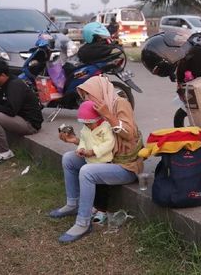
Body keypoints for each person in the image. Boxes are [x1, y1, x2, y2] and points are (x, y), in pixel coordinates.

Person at [50, 75, 142, 243]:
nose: (86, 100)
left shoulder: (119, 104)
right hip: (106, 160)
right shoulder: (98, 110)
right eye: (84, 97)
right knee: (69, 158)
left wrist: (109, 116)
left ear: (99, 91)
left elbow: (129, 135)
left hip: (125, 166)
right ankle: (73, 204)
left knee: (87, 171)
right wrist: (75, 141)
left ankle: (83, 223)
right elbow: (98, 141)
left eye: (88, 95)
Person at [0, 60, 43, 166]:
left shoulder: (14, 85)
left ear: (2, 75)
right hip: (19, 118)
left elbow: (11, 111)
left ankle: (5, 152)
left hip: (30, 124)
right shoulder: (7, 84)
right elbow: (4, 103)